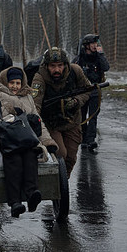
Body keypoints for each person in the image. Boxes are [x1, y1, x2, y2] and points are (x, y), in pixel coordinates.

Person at [0, 67, 57, 217]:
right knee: (13, 155)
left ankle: (32, 193)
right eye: (11, 82)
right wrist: (7, 110)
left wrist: (47, 140)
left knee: (31, 153)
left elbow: (37, 121)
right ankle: (15, 202)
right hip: (1, 135)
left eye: (18, 83)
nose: (15, 86)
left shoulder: (27, 97)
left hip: (23, 135)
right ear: (5, 81)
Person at [32, 47, 92, 177]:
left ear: (65, 65)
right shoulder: (40, 78)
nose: (57, 70)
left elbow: (88, 90)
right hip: (51, 123)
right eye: (52, 66)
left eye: (60, 65)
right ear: (46, 66)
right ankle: (56, 183)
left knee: (70, 158)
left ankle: (62, 183)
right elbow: (35, 105)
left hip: (72, 121)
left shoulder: (75, 71)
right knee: (60, 154)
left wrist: (76, 101)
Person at [72, 34, 110, 152]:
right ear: (87, 45)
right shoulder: (79, 59)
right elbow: (72, 72)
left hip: (95, 90)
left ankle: (91, 140)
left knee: (93, 116)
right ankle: (83, 139)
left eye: (96, 43)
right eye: (93, 43)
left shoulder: (98, 57)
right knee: (82, 116)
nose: (95, 45)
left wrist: (101, 54)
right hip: (82, 92)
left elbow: (106, 67)